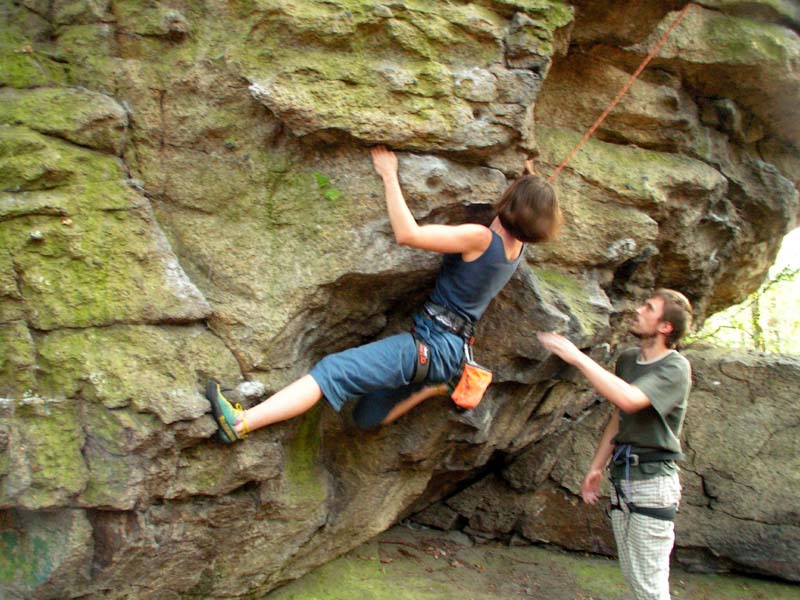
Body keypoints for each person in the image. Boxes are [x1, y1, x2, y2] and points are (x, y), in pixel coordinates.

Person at [206, 146, 562, 442]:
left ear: (511, 203)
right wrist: (530, 176)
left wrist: (389, 174)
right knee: (365, 415)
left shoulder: (480, 238)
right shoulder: (518, 249)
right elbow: (524, 212)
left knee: (333, 371)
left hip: (430, 345)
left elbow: (408, 235)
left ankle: (241, 423)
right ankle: (434, 387)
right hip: (450, 353)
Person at [536, 289, 693, 600]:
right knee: (635, 576)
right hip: (623, 478)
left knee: (650, 585)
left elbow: (629, 399)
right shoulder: (629, 360)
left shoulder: (675, 368)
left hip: (653, 481)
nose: (638, 310)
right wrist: (597, 467)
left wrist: (577, 357)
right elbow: (619, 416)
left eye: (649, 308)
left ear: (665, 327)